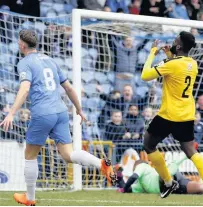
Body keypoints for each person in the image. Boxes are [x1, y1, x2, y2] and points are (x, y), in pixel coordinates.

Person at [0, 30, 116, 206]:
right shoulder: (49, 59)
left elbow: (24, 89)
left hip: (43, 113)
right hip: (61, 112)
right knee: (68, 154)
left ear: (22, 44)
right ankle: (100, 163)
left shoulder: (24, 63)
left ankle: (29, 199)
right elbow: (69, 88)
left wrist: (11, 113)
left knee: (30, 155)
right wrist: (79, 109)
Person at [140, 31, 203, 205]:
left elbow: (145, 75)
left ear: (180, 45)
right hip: (187, 114)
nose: (173, 42)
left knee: (148, 144)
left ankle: (168, 182)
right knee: (190, 150)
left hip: (169, 114)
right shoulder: (193, 63)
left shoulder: (172, 63)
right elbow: (177, 72)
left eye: (175, 41)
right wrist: (169, 55)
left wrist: (153, 52)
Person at [117, 155, 203, 195]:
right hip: (175, 188)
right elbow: (128, 188)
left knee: (163, 173)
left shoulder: (142, 166)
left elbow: (133, 177)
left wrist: (124, 189)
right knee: (201, 189)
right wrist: (119, 178)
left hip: (167, 177)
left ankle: (170, 180)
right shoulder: (140, 185)